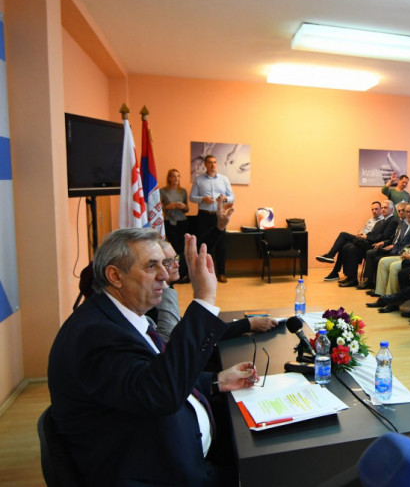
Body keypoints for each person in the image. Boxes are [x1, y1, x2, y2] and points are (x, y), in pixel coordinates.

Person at [48, 229, 257, 486]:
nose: (164, 275)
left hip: (178, 447)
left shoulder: (121, 318)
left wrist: (216, 380)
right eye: (151, 266)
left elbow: (150, 377)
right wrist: (204, 300)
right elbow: (161, 394)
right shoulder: (95, 334)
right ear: (115, 276)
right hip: (161, 473)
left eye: (164, 264)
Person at [189, 155, 234, 283]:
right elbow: (192, 197)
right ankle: (203, 273)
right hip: (203, 216)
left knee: (221, 244)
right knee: (204, 244)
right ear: (205, 164)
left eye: (215, 162)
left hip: (219, 216)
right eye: (210, 162)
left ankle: (221, 273)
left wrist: (225, 199)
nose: (213, 165)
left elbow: (232, 197)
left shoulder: (224, 179)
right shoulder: (199, 179)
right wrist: (203, 199)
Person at [359, 202, 410, 289]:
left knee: (377, 257)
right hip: (394, 247)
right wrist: (389, 245)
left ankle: (375, 285)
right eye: (405, 211)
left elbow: (408, 243)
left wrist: (393, 247)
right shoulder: (403, 223)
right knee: (370, 252)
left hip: (403, 252)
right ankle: (372, 283)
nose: (407, 213)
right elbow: (395, 238)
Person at [316, 201, 383, 280]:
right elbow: (364, 229)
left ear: (380, 209)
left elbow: (374, 235)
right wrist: (360, 232)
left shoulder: (382, 221)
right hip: (361, 238)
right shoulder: (371, 219)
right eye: (372, 209)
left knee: (343, 234)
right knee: (343, 245)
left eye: (376, 209)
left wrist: (364, 235)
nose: (374, 211)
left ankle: (330, 256)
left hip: (366, 241)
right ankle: (335, 272)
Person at [337, 200, 398, 287]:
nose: (383, 209)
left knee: (353, 243)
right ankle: (351, 278)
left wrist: (366, 237)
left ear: (392, 210)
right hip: (371, 243)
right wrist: (364, 235)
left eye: (385, 208)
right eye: (382, 208)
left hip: (379, 245)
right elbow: (373, 233)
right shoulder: (381, 221)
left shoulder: (393, 221)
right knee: (350, 248)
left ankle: (363, 280)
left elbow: (384, 236)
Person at [160, 168, 189, 278]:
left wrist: (183, 206)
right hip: (170, 222)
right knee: (174, 247)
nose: (176, 178)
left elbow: (187, 209)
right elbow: (158, 209)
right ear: (169, 178)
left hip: (182, 222)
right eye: (174, 176)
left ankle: (183, 271)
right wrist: (168, 207)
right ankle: (174, 271)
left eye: (178, 176)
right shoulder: (163, 191)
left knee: (182, 248)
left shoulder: (183, 191)